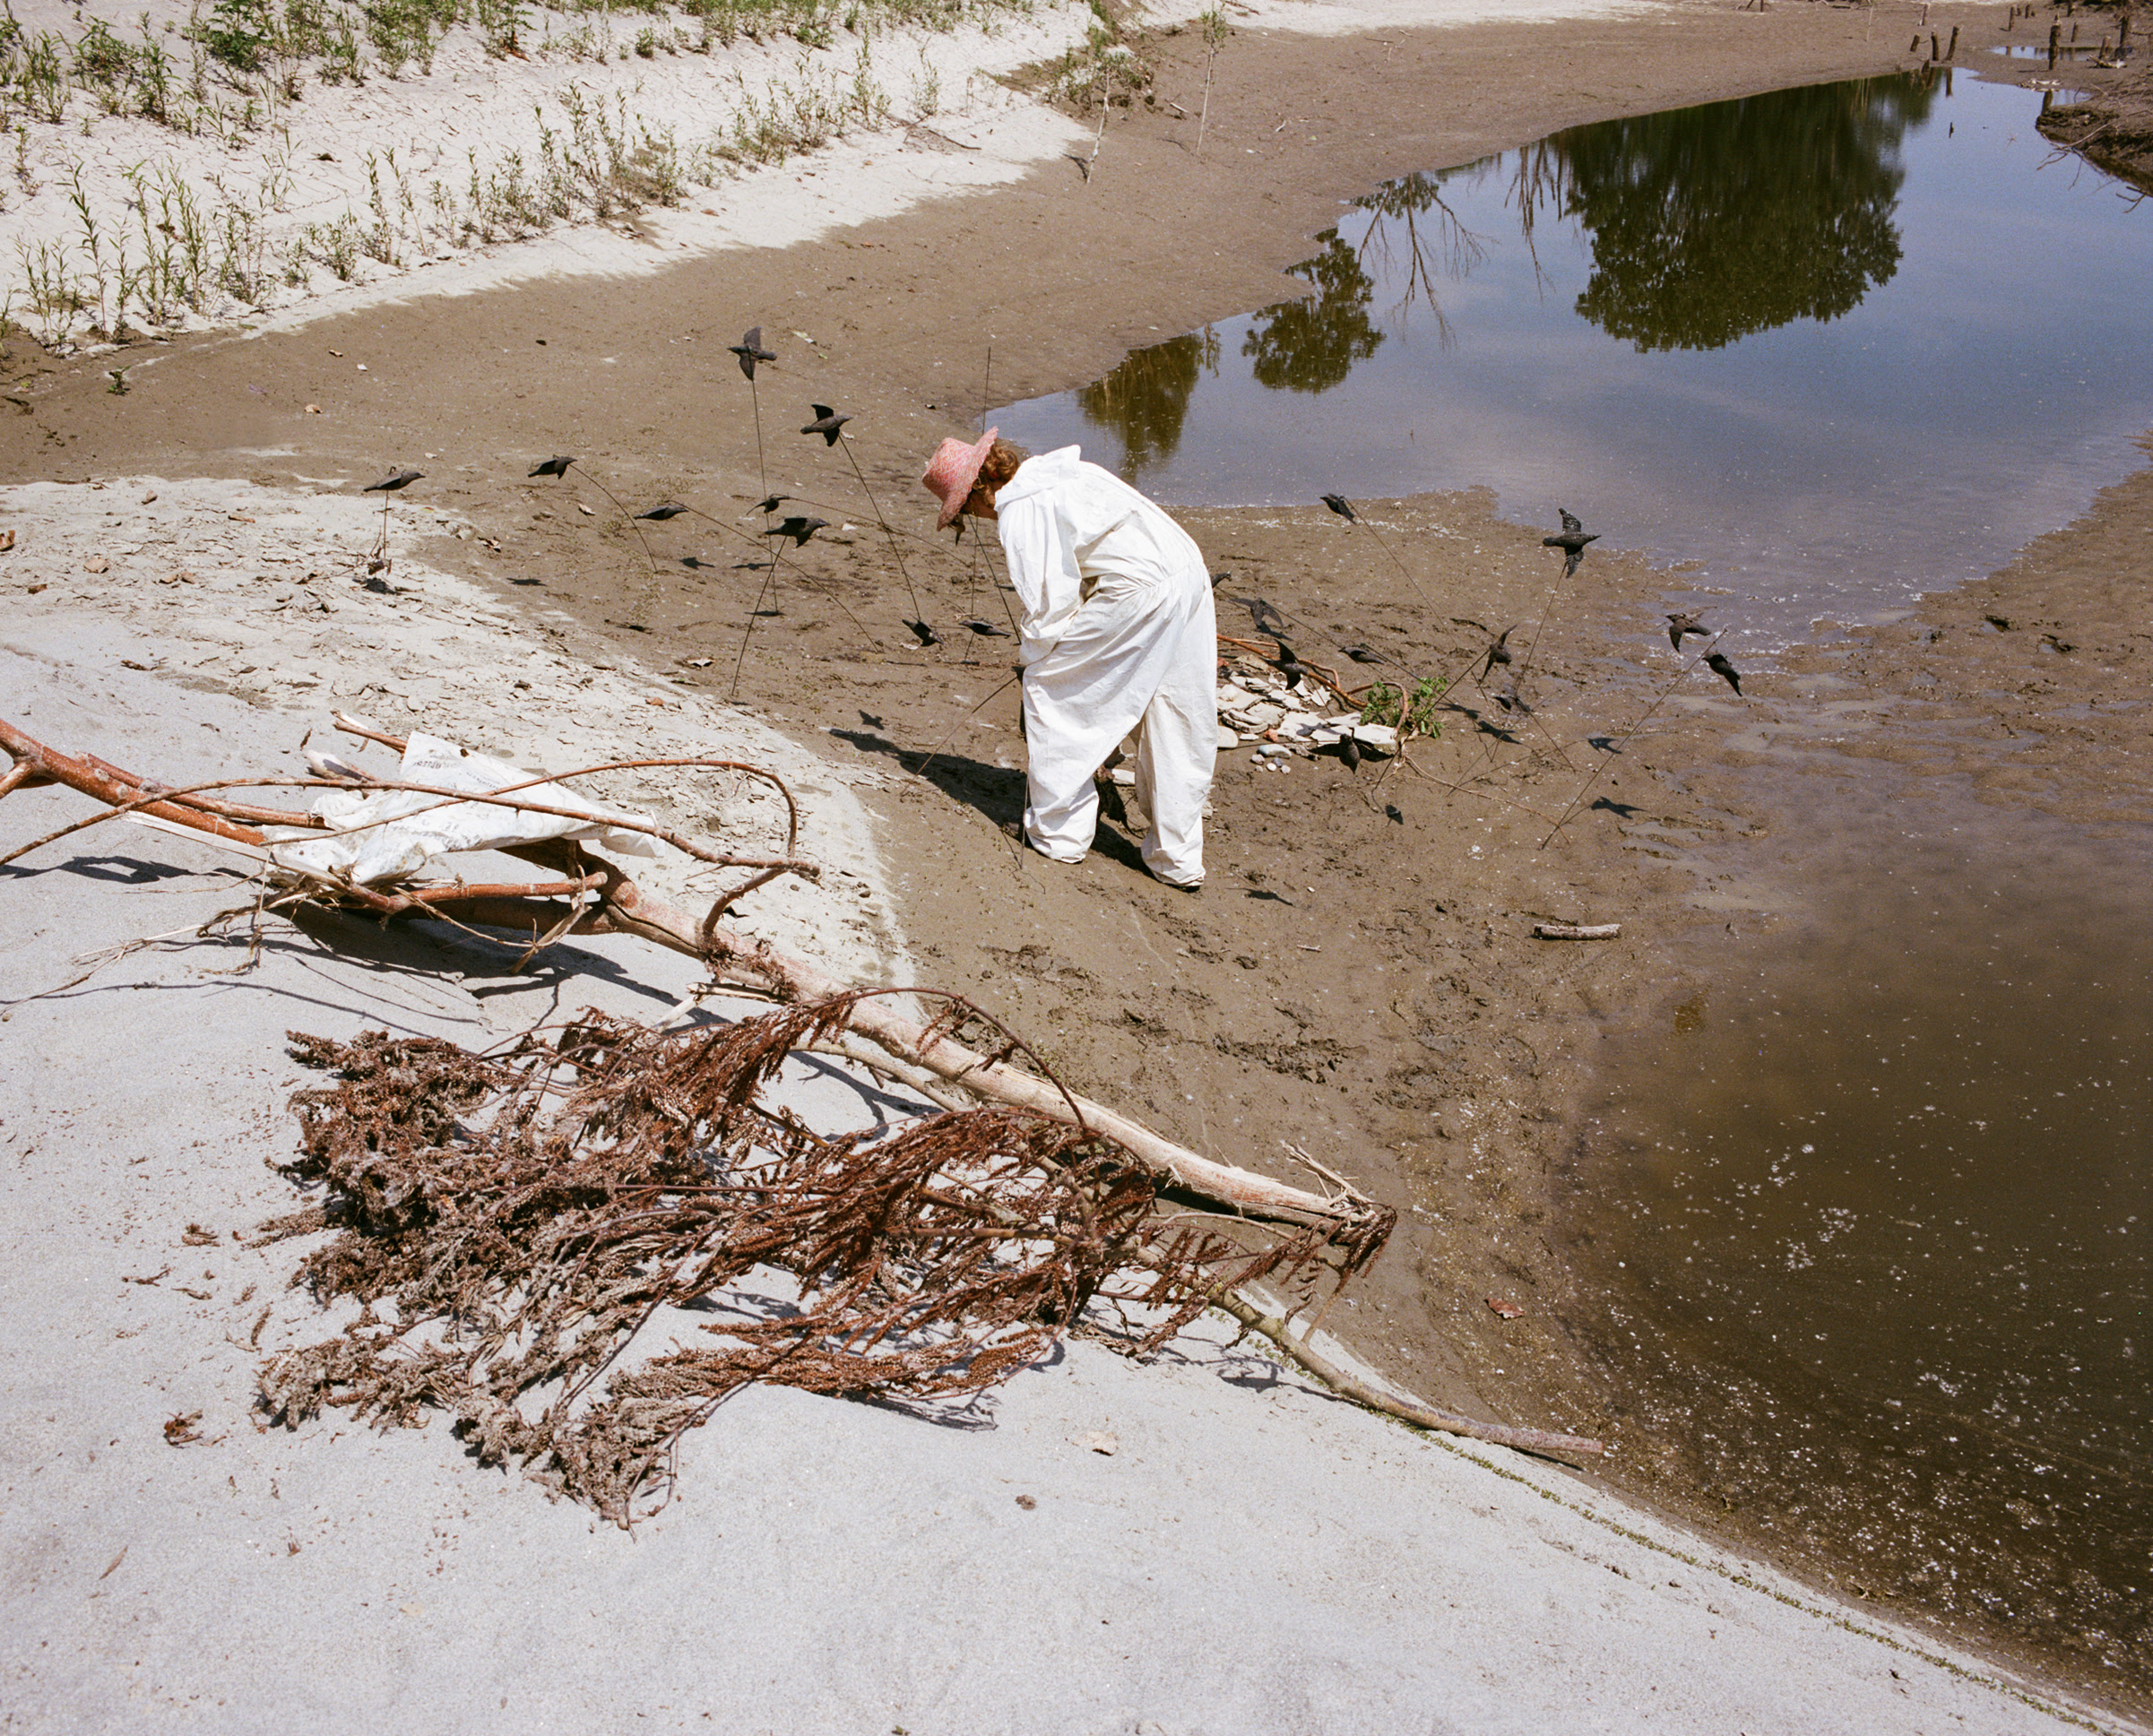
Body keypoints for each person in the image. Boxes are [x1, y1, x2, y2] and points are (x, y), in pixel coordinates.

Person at [921, 430, 1216, 890]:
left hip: (1138, 589)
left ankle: (1060, 834)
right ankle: (1176, 859)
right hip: (1188, 572)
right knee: (1173, 711)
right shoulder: (1059, 472)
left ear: (978, 492)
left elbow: (1050, 608)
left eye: (965, 509)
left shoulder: (1018, 509)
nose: (973, 518)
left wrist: (1031, 663)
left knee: (1053, 691)